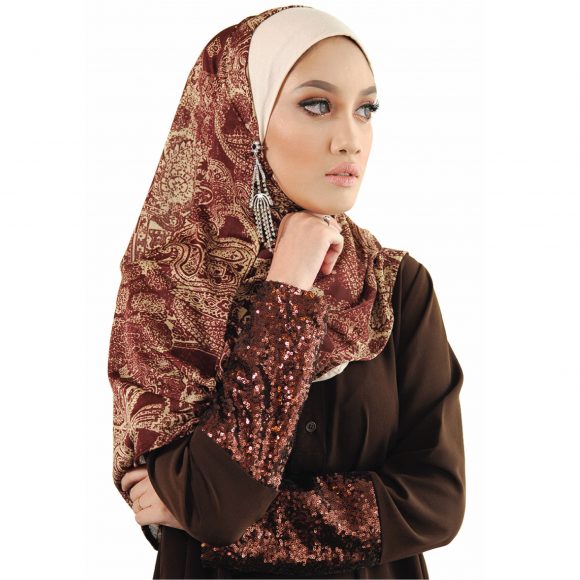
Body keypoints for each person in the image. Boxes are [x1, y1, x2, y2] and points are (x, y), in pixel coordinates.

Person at [108, 5, 466, 579]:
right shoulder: (169, 286)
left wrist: (225, 527)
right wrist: (287, 292)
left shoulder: (396, 288)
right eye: (317, 105)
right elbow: (219, 503)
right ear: (243, 119)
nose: (350, 139)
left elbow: (438, 502)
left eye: (366, 109)